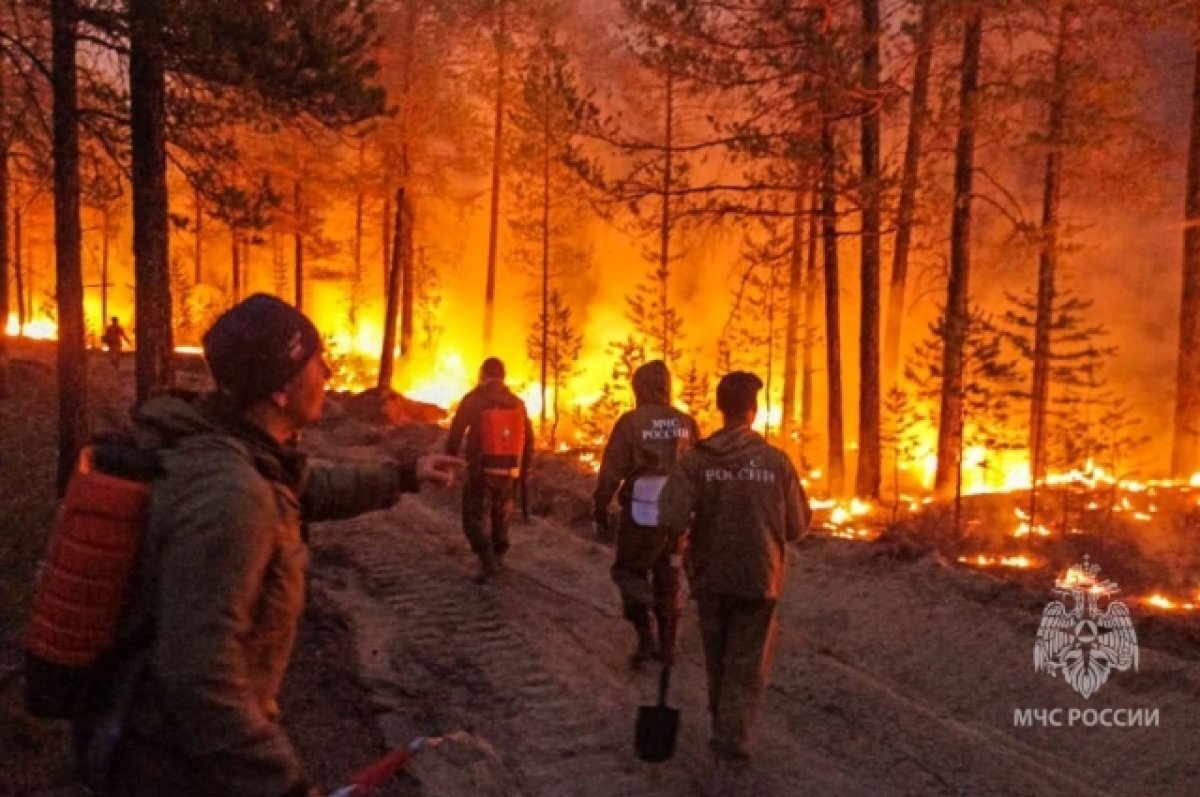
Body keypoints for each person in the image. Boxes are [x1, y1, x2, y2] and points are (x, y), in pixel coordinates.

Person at [86, 293, 464, 797]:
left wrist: (404, 474)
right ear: (280, 390)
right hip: (181, 769)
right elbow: (199, 675)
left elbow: (304, 491)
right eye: (314, 360)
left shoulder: (239, 452)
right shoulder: (230, 492)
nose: (327, 371)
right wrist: (281, 784)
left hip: (180, 752)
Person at [658, 371, 811, 765]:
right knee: (746, 659)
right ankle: (733, 733)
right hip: (760, 576)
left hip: (710, 574)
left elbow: (671, 518)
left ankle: (720, 723)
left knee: (718, 652)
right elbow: (797, 526)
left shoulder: (695, 460)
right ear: (754, 411)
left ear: (719, 407)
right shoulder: (777, 462)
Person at [593, 360, 699, 667]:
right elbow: (698, 468)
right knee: (669, 578)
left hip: (641, 515)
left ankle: (646, 639)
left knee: (629, 572)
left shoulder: (631, 422)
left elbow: (612, 470)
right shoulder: (686, 422)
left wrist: (600, 505)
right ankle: (667, 646)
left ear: (641, 388)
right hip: (677, 518)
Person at [444, 357, 534, 584]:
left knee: (473, 515)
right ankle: (499, 555)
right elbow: (529, 439)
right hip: (509, 470)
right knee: (501, 514)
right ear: (503, 377)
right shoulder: (517, 403)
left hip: (481, 470)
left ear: (482, 374)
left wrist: (448, 461)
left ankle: (486, 560)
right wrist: (523, 470)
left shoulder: (474, 400)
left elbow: (456, 433)